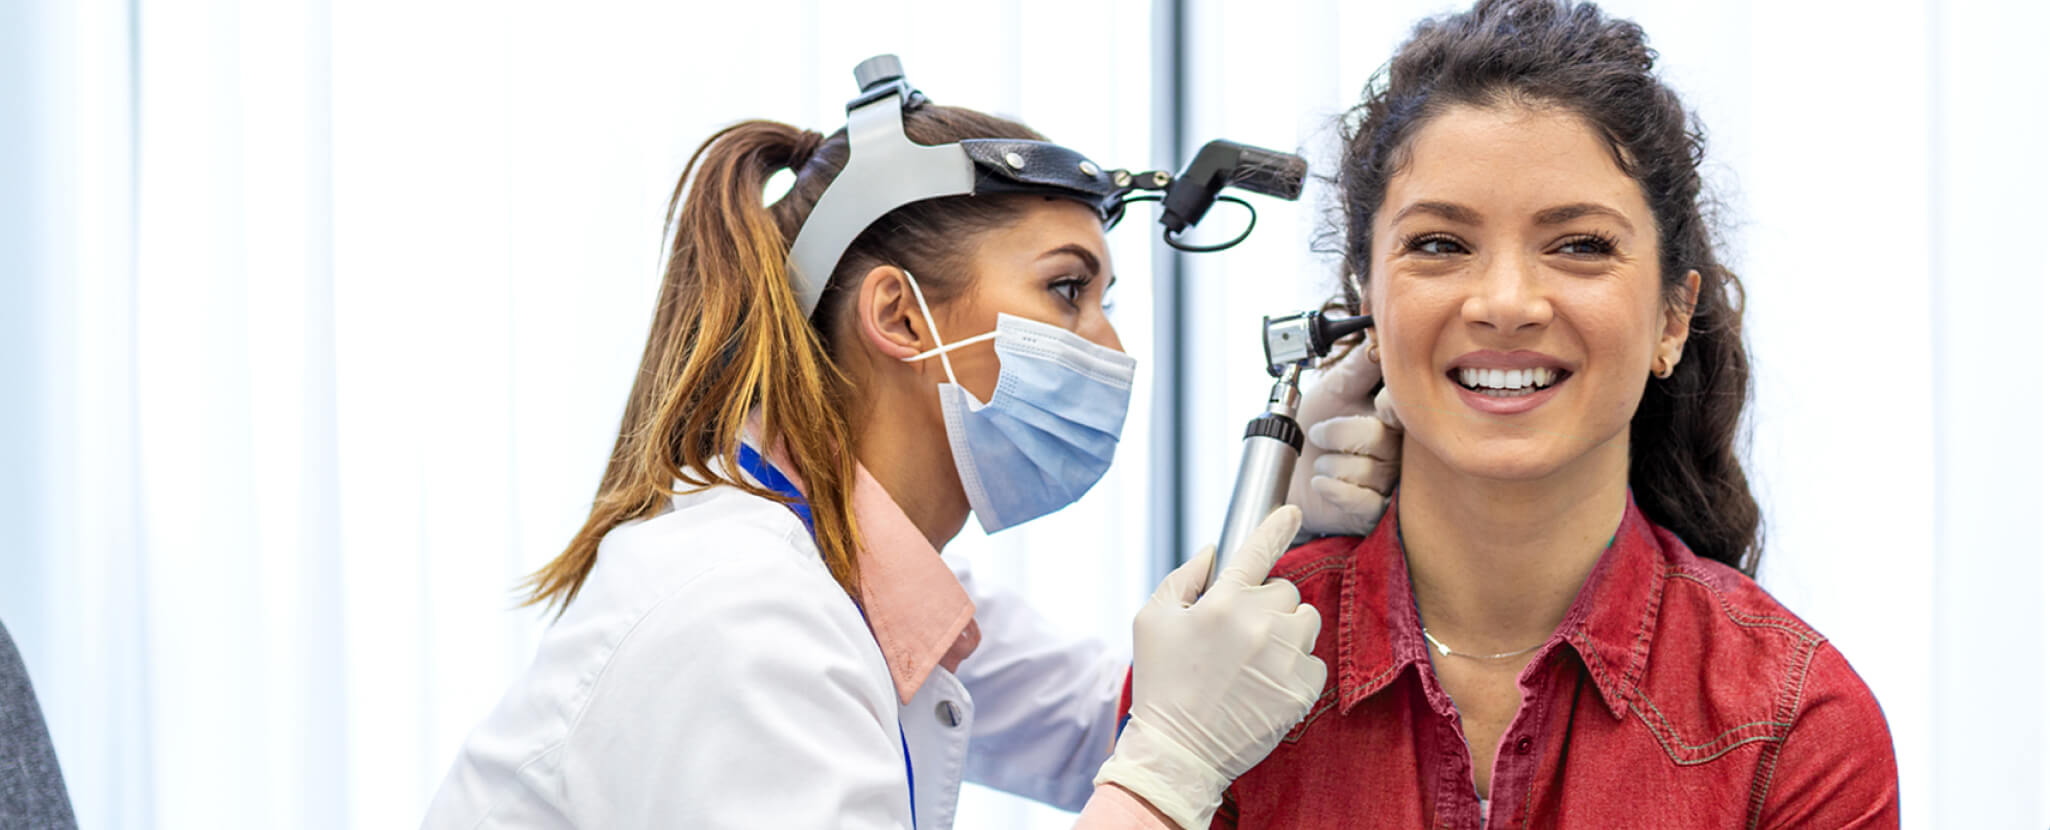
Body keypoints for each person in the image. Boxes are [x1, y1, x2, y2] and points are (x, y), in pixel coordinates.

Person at [421, 60, 1396, 830]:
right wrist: (1170, 763)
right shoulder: (745, 616)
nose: (1111, 346)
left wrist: (1284, 516)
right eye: (1066, 289)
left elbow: (1114, 720)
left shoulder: (863, 575)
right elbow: (1165, 743)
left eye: (1106, 299)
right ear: (899, 315)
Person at [1222, 1, 1902, 826]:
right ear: (1367, 303)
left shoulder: (1797, 727)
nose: (1506, 303)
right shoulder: (1217, 680)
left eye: (1581, 245)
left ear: (1672, 320)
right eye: (1439, 243)